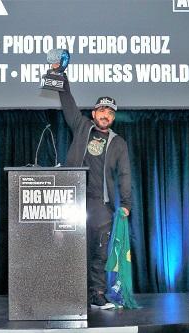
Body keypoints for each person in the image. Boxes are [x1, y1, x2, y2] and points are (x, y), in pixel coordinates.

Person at [57, 78, 132, 310]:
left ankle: (97, 294)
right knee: (71, 249)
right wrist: (60, 76)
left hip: (101, 203)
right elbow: (67, 102)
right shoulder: (81, 127)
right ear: (94, 113)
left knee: (100, 252)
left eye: (110, 112)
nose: (105, 115)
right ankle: (69, 295)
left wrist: (126, 203)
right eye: (102, 110)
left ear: (113, 117)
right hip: (74, 199)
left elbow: (125, 174)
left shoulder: (118, 143)